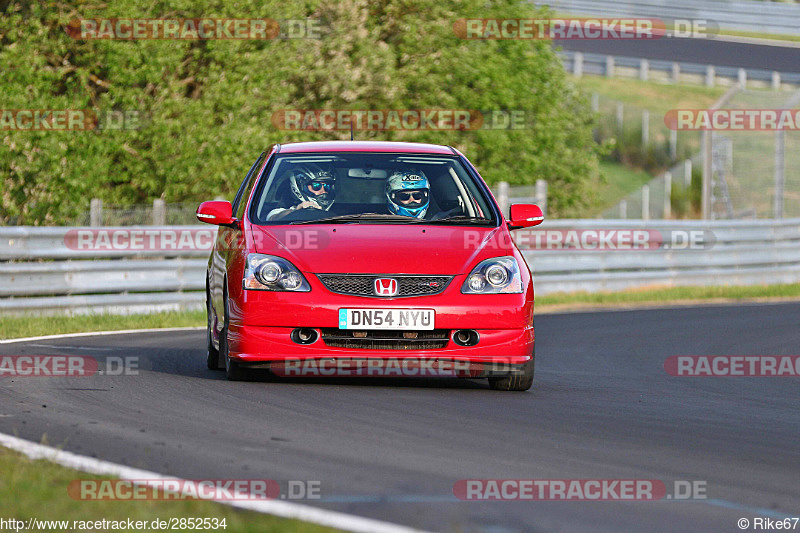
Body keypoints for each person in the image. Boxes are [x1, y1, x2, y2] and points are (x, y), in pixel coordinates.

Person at [267, 164, 336, 220]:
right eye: (316, 186)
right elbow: (273, 218)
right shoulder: (288, 210)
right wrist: (296, 211)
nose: (323, 191)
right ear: (301, 186)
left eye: (327, 186)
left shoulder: (343, 216)